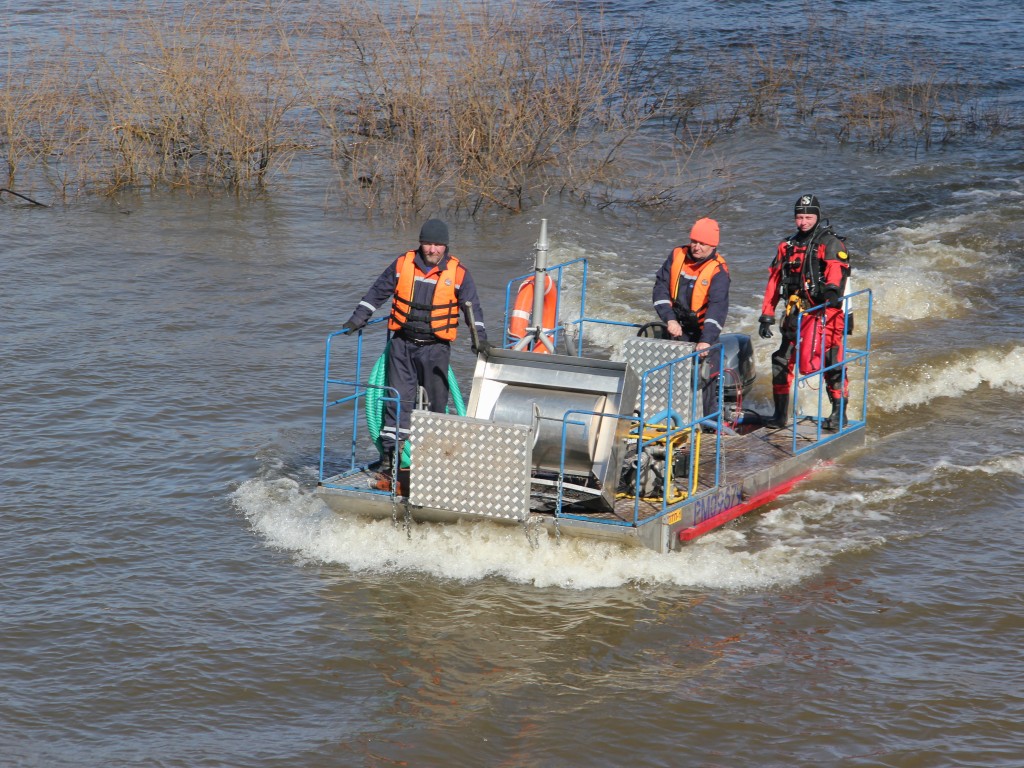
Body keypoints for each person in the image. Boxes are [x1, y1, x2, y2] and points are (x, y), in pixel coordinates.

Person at [342, 218, 488, 470]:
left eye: (437, 245)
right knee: (397, 400)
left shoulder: (459, 273)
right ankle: (391, 457)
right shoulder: (402, 264)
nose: (432, 249)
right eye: (427, 243)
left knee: (436, 403)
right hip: (402, 346)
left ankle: (433, 459)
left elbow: (472, 309)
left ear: (445, 246)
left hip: (436, 348)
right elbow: (377, 292)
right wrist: (356, 319)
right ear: (420, 244)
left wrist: (480, 341)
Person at [758, 194, 851, 430]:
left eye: (808, 217)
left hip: (825, 313)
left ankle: (839, 414)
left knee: (832, 360)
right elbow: (774, 281)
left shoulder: (829, 243)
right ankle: (780, 415)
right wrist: (767, 315)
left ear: (817, 217)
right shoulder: (786, 246)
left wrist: (831, 293)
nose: (803, 222)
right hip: (795, 314)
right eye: (799, 217)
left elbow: (835, 271)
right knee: (781, 359)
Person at [652, 216, 730, 422]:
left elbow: (718, 308)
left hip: (704, 332)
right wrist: (669, 319)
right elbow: (660, 287)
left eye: (702, 243)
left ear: (713, 245)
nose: (696, 247)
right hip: (676, 327)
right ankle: (670, 419)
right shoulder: (677, 255)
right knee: (670, 377)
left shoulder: (719, 271)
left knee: (706, 379)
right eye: (694, 241)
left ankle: (710, 423)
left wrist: (706, 340)